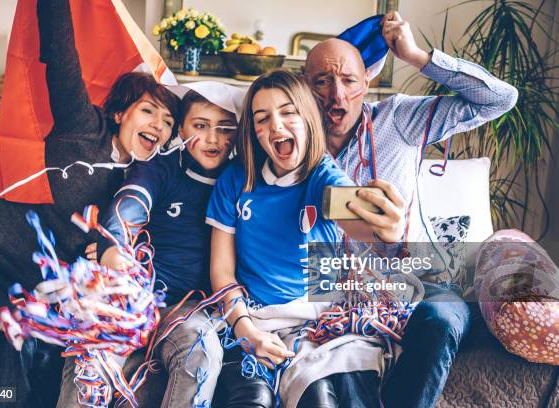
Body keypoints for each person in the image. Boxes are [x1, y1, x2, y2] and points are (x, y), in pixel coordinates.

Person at [0, 0, 180, 406]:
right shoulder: (82, 129)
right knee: (5, 333)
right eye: (149, 112)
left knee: (48, 353)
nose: (158, 126)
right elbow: (60, 54)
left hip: (28, 289)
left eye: (167, 122)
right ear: (122, 112)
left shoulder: (140, 186)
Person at [303, 11, 518, 408]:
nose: (337, 95)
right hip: (331, 288)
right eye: (322, 81)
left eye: (349, 80)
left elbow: (501, 99)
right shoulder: (293, 142)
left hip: (417, 279)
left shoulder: (399, 117)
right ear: (305, 86)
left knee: (443, 318)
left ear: (366, 81)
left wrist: (419, 57)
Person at [207, 69, 410, 408]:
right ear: (254, 131)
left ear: (308, 117)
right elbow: (221, 271)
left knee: (319, 398)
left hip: (316, 325)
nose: (276, 126)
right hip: (252, 320)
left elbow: (352, 213)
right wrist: (246, 331)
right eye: (263, 118)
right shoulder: (236, 181)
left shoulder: (322, 176)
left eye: (288, 112)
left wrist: (386, 227)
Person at [56, 82, 244, 408]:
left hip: (188, 309)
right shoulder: (160, 166)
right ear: (181, 129)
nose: (212, 138)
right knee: (92, 359)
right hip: (132, 296)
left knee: (203, 352)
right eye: (200, 126)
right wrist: (114, 246)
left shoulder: (238, 179)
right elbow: (130, 203)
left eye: (224, 129)